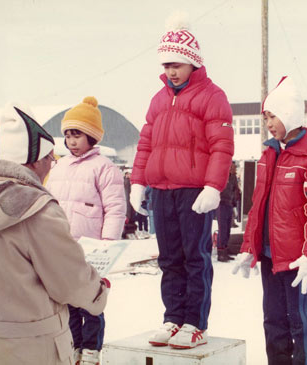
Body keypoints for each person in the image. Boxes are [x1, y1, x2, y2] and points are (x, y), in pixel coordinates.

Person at [0, 103, 110, 365]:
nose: (51, 167)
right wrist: (97, 292)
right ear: (36, 160)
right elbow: (70, 283)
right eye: (51, 160)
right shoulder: (38, 211)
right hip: (30, 351)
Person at [129, 15, 234, 349]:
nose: (171, 71)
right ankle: (173, 318)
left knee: (195, 257)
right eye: (166, 65)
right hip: (162, 191)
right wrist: (137, 182)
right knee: (169, 258)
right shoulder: (158, 100)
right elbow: (145, 144)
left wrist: (213, 186)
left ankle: (195, 322)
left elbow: (221, 146)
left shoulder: (212, 96)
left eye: (177, 64)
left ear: (192, 62)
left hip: (193, 192)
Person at [232, 76, 307, 364]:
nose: (268, 123)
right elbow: (258, 207)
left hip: (297, 262)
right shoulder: (269, 154)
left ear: (290, 114)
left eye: (272, 116)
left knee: (301, 323)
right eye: (265, 117)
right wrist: (248, 247)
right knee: (273, 322)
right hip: (270, 258)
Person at [46, 96, 126, 365]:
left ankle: (91, 349)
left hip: (92, 248)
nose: (71, 141)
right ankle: (74, 345)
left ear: (92, 136)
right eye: (67, 135)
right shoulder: (58, 168)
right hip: (62, 246)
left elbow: (115, 208)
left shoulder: (104, 168)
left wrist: (107, 243)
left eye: (77, 134)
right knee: (67, 300)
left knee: (91, 301)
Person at [216, 162, 240, 262]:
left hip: (229, 204)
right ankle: (220, 253)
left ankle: (225, 250)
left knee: (227, 229)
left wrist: (234, 202)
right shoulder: (222, 176)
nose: (233, 169)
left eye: (234, 167)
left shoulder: (233, 178)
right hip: (221, 204)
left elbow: (235, 190)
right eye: (231, 167)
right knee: (222, 229)